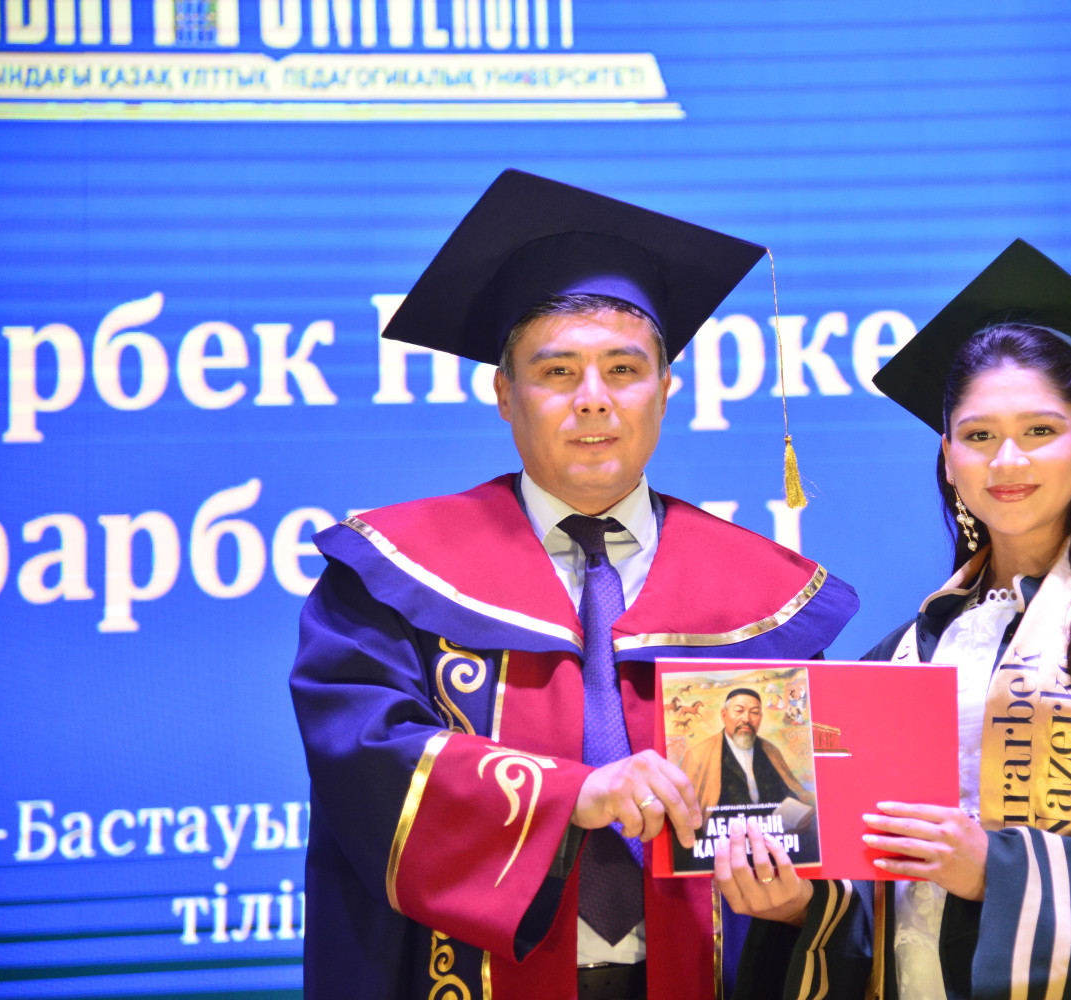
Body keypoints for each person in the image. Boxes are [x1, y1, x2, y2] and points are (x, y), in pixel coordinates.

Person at [288, 169, 859, 1000]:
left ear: (667, 390)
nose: (593, 401)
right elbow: (363, 756)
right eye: (557, 373)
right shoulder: (390, 578)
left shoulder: (763, 600)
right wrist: (573, 795)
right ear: (504, 393)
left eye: (624, 369)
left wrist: (802, 900)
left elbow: (830, 830)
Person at [722, 239, 1071, 1000]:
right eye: (979, 436)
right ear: (949, 458)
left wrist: (998, 870)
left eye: (1040, 431)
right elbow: (873, 881)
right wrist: (801, 905)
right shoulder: (903, 655)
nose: (1007, 460)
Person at [681, 688, 812, 812]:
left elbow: (788, 793)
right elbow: (689, 810)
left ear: (760, 718)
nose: (746, 719)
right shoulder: (698, 755)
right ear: (724, 715)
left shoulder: (771, 751)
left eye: (754, 713)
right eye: (739, 711)